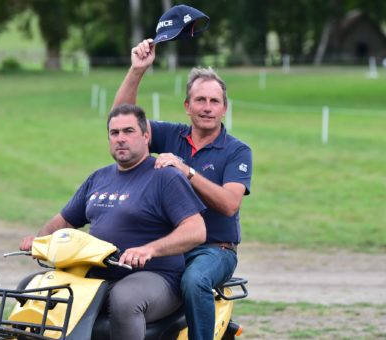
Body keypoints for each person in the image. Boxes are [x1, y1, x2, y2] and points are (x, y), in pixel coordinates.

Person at [19, 104, 206, 340]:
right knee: (32, 287)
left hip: (156, 276)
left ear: (146, 136)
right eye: (114, 133)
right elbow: (64, 221)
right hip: (97, 275)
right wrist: (40, 241)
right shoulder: (99, 178)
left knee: (125, 299)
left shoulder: (165, 176)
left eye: (128, 132)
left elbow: (196, 230)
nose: (120, 139)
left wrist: (149, 249)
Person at [113, 39, 253, 340]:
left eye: (214, 101)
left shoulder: (237, 151)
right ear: (187, 106)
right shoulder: (170, 134)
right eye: (200, 100)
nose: (207, 108)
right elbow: (122, 120)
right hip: (170, 245)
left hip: (214, 249)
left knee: (195, 280)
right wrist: (138, 70)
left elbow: (229, 204)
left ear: (224, 108)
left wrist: (186, 170)